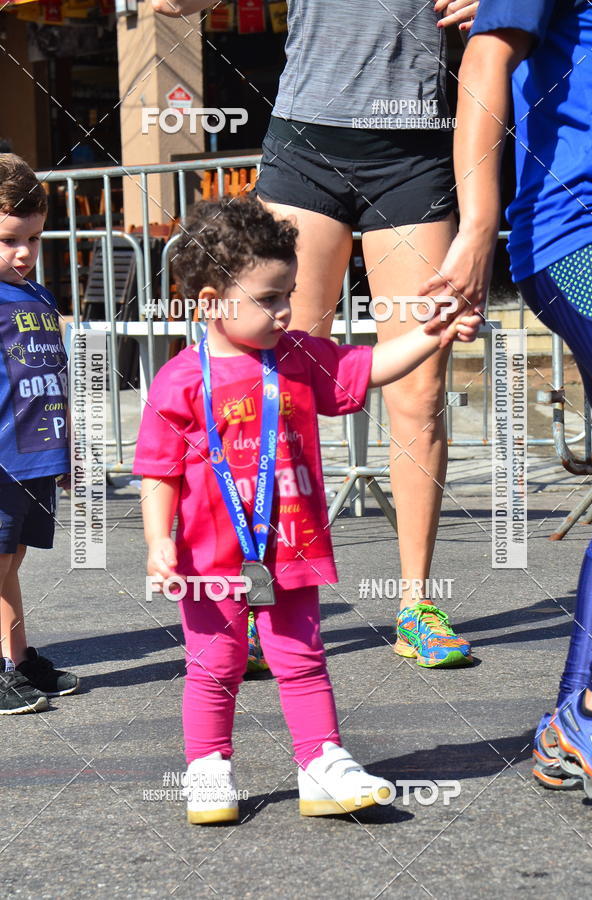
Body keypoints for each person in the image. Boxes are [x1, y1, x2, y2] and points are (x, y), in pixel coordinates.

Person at [152, 0, 481, 668]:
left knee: (420, 390)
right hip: (308, 142)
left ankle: (415, 603)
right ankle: (254, 595)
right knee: (268, 384)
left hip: (416, 149)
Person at [133, 197, 480, 824]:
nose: (287, 309)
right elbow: (157, 469)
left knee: (302, 658)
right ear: (210, 301)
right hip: (210, 558)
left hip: (291, 546)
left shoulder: (298, 355)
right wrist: (159, 541)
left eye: (288, 292)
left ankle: (322, 762)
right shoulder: (179, 380)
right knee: (215, 663)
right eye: (269, 298)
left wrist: (431, 334)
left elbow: (370, 366)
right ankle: (208, 768)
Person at [422, 0, 592, 800]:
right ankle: (586, 712)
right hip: (579, 234)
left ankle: (577, 718)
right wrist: (475, 228)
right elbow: (487, 59)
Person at [0, 153, 80, 715]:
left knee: (13, 558)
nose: (24, 253)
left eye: (33, 238)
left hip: (36, 456)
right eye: (8, 240)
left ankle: (19, 657)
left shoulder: (43, 297)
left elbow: (56, 375)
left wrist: (69, 445)